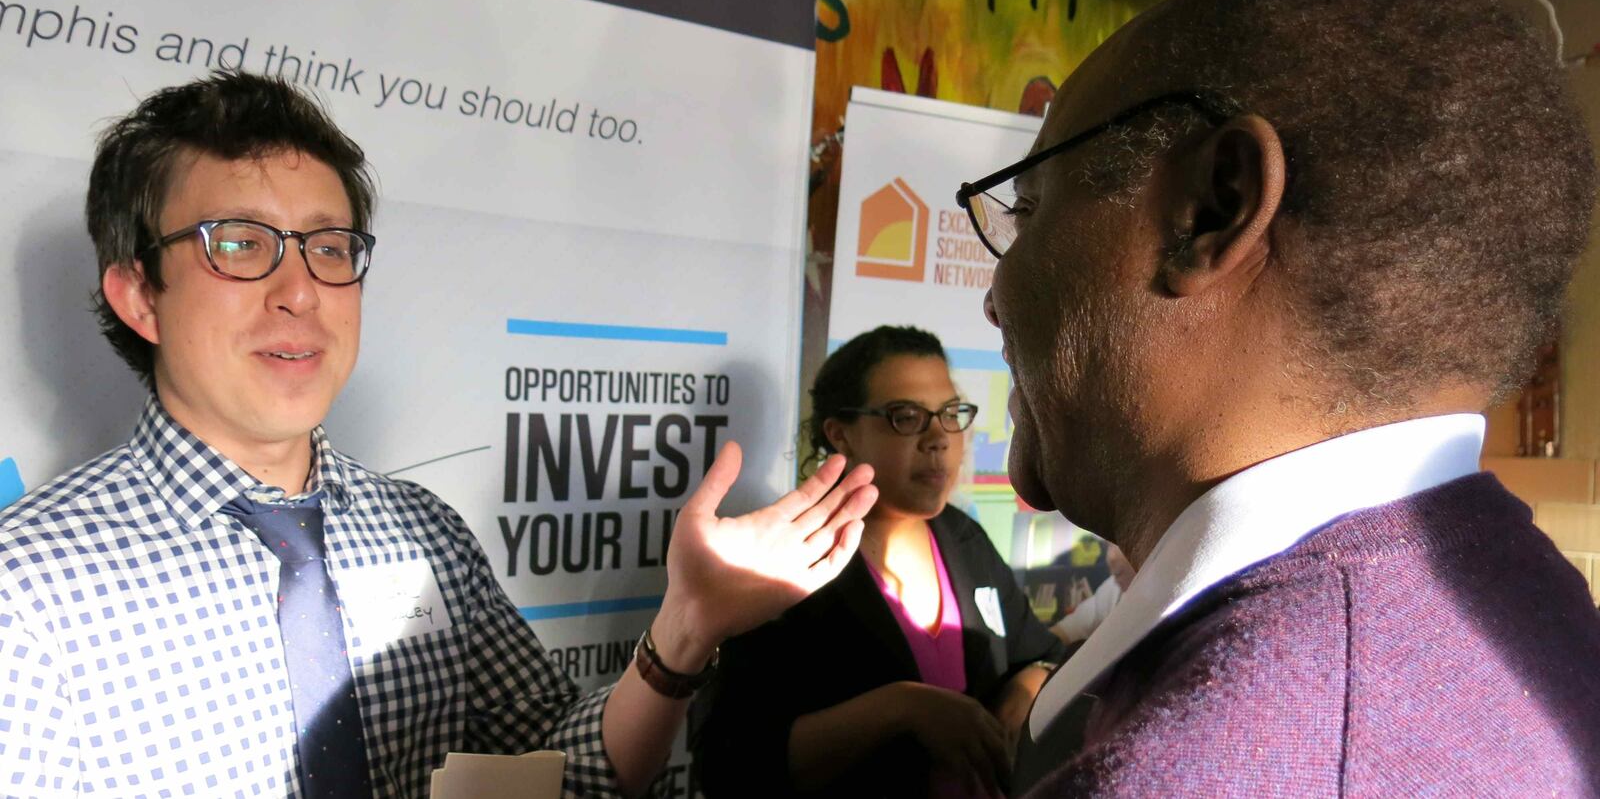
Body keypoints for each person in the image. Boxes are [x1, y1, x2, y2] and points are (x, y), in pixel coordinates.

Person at [0, 71, 878, 799]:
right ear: (139, 295)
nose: (299, 291)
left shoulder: (422, 532)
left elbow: (558, 776)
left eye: (329, 247)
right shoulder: (29, 591)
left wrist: (684, 631)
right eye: (239, 244)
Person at [954, 0, 1600, 796]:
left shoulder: (1200, 770)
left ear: (1212, 212)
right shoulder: (1522, 597)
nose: (996, 297)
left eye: (1030, 210)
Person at [692, 326, 1066, 799]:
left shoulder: (962, 537)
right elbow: (727, 764)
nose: (938, 439)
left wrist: (1025, 690)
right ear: (840, 434)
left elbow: (1041, 654)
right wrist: (901, 709)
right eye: (905, 417)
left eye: (951, 413)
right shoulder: (785, 561)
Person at [1049, 544, 1132, 645]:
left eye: (1119, 544)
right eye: (1109, 545)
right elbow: (1068, 629)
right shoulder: (1113, 590)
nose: (1111, 557)